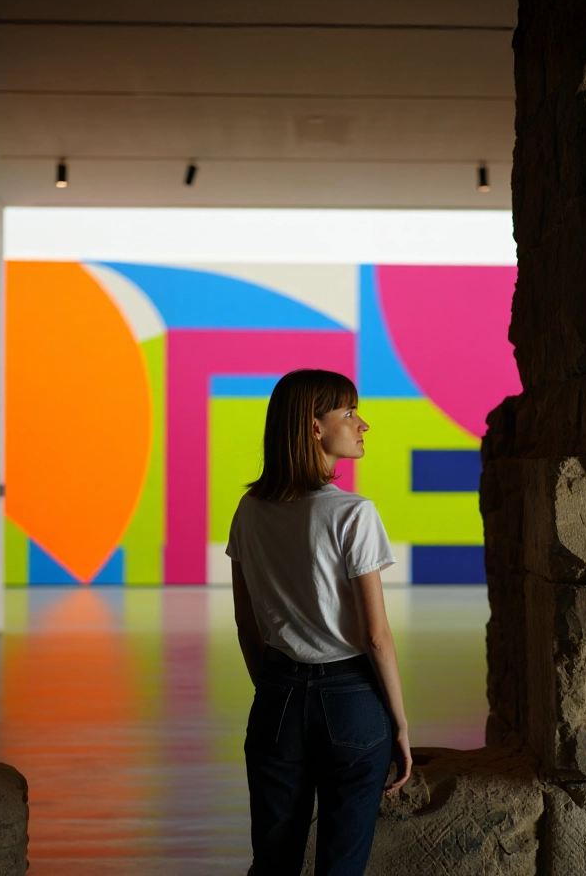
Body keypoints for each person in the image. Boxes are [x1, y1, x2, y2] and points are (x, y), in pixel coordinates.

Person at [226, 368, 412, 876]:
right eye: (349, 413)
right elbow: (376, 635)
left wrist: (275, 692)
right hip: (351, 700)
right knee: (341, 866)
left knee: (273, 862)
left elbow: (247, 627)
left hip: (277, 695)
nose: (363, 424)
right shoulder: (354, 514)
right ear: (314, 427)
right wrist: (398, 723)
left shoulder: (249, 510)